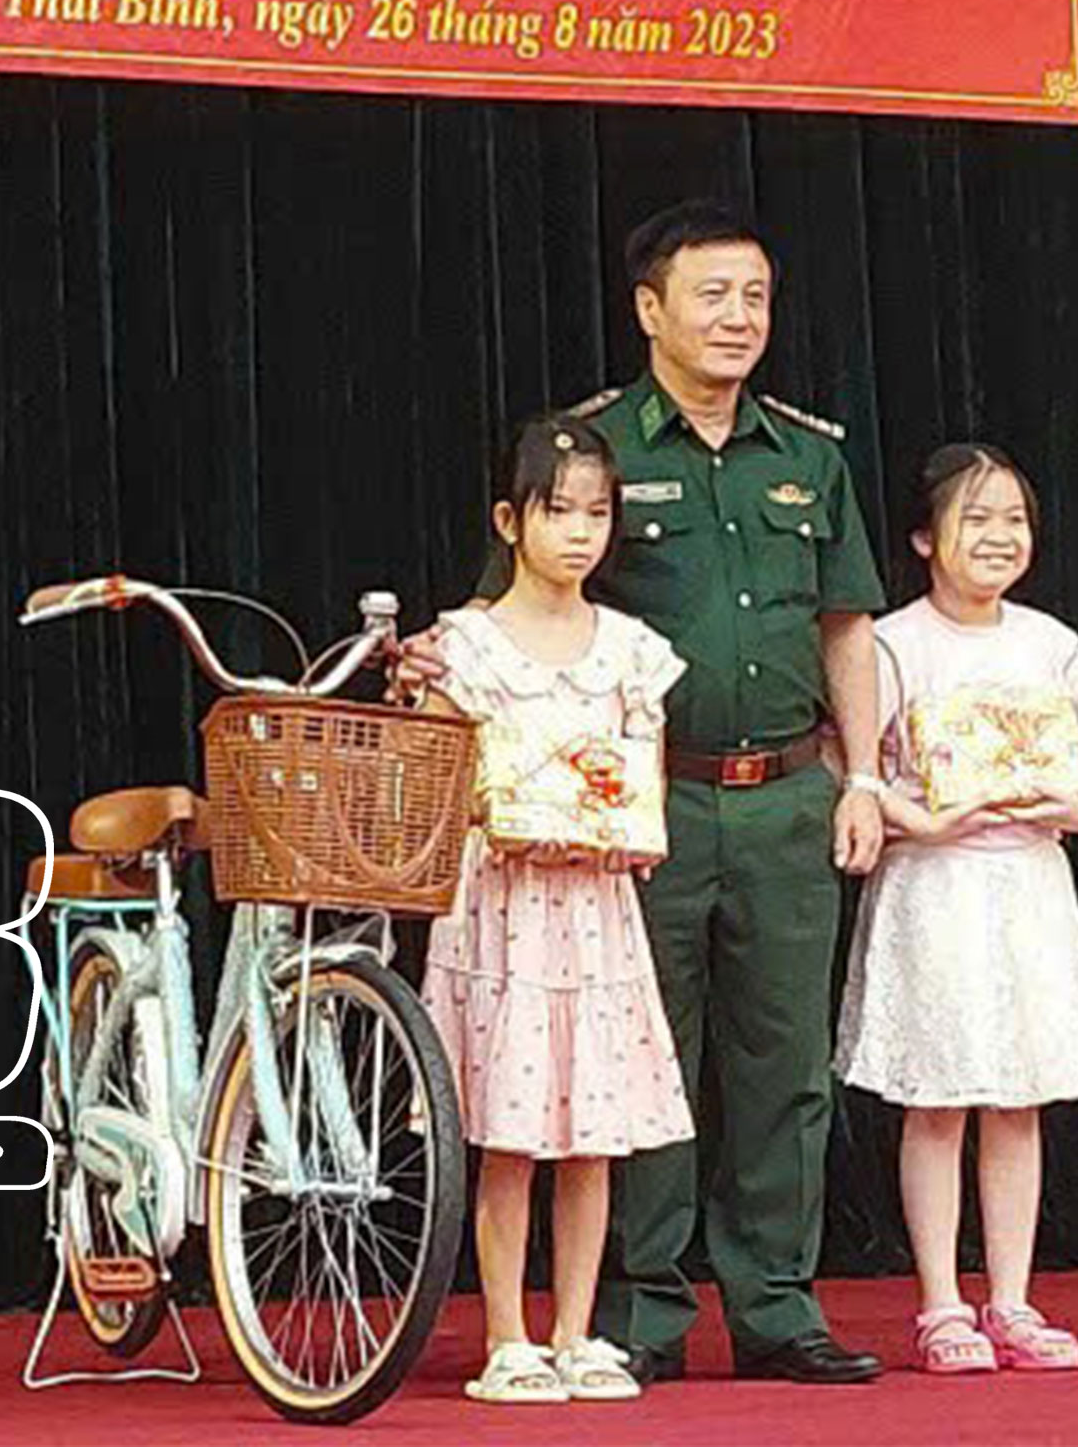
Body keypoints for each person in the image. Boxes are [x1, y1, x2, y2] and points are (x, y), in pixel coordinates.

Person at [399, 199, 891, 1387]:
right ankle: (635, 1313)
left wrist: (866, 773)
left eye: (756, 296)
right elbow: (510, 607)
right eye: (712, 294)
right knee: (632, 1059)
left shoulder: (809, 457)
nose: (738, 318)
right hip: (628, 817)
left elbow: (846, 625)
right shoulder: (595, 450)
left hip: (784, 793)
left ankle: (777, 1305)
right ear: (650, 309)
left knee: (785, 1066)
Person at [834, 443, 1078, 1375]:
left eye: (1015, 520)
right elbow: (849, 764)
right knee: (937, 1101)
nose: (1000, 536)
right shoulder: (893, 643)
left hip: (1028, 886)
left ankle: (1012, 1299)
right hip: (936, 887)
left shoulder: (1049, 642)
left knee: (1017, 1099)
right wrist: (919, 818)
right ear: (925, 538)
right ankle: (940, 1305)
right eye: (977, 519)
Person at [416, 414, 694, 1404]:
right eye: (558, 511)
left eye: (596, 513)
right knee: (511, 1131)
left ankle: (577, 1332)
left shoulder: (632, 650)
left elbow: (644, 776)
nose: (579, 533)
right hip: (503, 904)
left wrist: (622, 826)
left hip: (594, 906)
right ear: (510, 520)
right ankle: (506, 1335)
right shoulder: (462, 645)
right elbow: (436, 774)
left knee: (592, 1129)